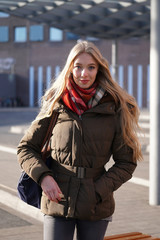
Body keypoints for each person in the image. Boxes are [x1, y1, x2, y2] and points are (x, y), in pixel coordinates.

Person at [17, 40, 143, 240]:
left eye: (91, 67)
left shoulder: (114, 108)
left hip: (96, 204)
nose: (84, 74)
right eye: (78, 67)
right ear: (70, 69)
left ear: (99, 70)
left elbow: (126, 162)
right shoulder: (55, 103)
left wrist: (98, 190)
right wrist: (44, 177)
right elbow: (26, 148)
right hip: (57, 200)